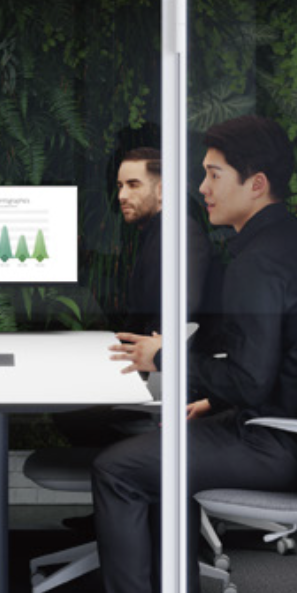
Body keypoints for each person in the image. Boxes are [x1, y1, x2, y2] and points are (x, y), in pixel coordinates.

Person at [49, 116, 297, 593]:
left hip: (281, 444)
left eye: (215, 175)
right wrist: (215, 404)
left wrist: (161, 358)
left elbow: (250, 380)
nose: (202, 189)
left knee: (119, 468)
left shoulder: (255, 262)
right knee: (161, 458)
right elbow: (296, 356)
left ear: (256, 184)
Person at [53, 140, 211, 453]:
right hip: (150, 369)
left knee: (69, 412)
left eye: (134, 185)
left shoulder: (178, 239)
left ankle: (129, 474)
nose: (122, 195)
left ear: (164, 190)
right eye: (120, 186)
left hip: (161, 379)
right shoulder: (160, 234)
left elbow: (180, 321)